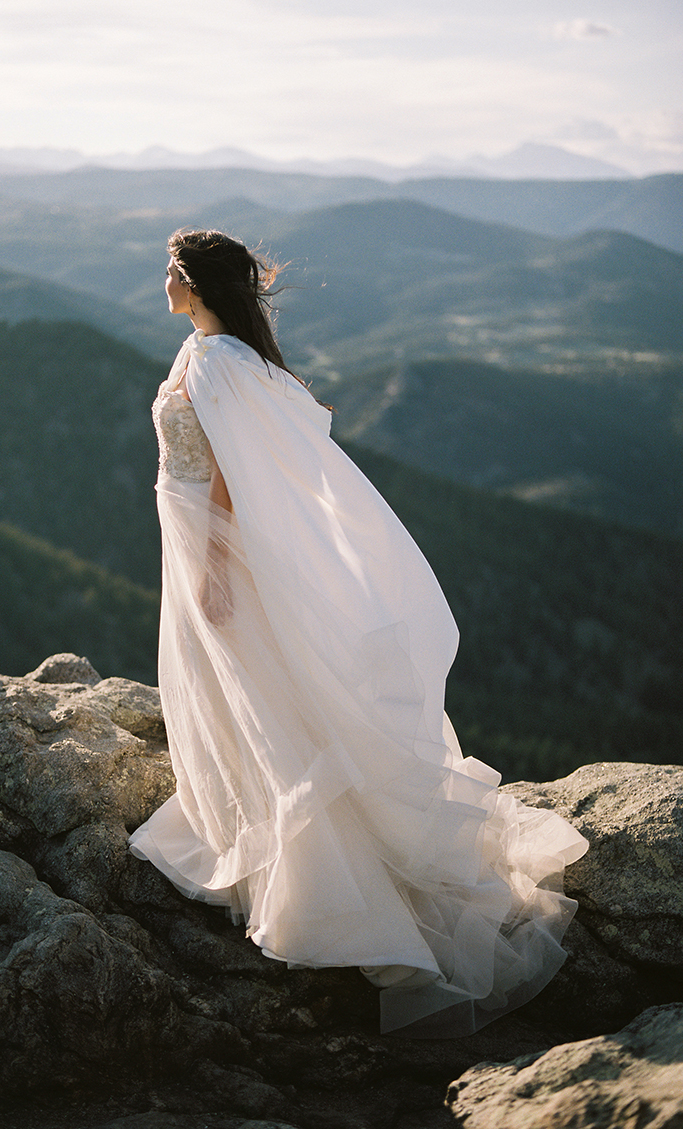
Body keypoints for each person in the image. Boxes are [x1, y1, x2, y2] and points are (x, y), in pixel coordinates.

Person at [129, 229, 588, 1036]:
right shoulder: (216, 351)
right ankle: (266, 831)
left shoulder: (215, 360)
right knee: (242, 685)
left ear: (196, 284)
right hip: (194, 528)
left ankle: (316, 874)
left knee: (252, 686)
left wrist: (217, 569)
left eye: (172, 271)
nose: (162, 280)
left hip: (211, 537)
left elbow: (235, 471)